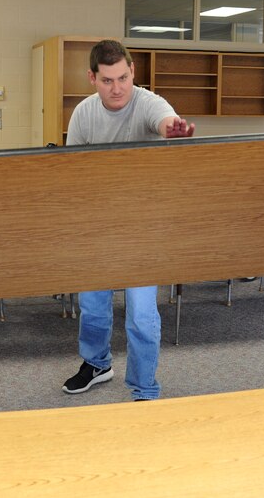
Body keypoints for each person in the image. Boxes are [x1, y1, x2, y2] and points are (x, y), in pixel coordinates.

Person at [62, 39, 194, 401]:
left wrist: (174, 130)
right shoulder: (84, 114)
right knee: (92, 307)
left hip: (142, 227)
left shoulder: (149, 102)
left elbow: (166, 121)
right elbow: (73, 173)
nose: (117, 88)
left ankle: (143, 385)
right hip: (99, 224)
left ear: (133, 71)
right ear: (92, 78)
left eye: (123, 77)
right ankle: (97, 364)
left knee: (140, 314)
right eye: (107, 81)